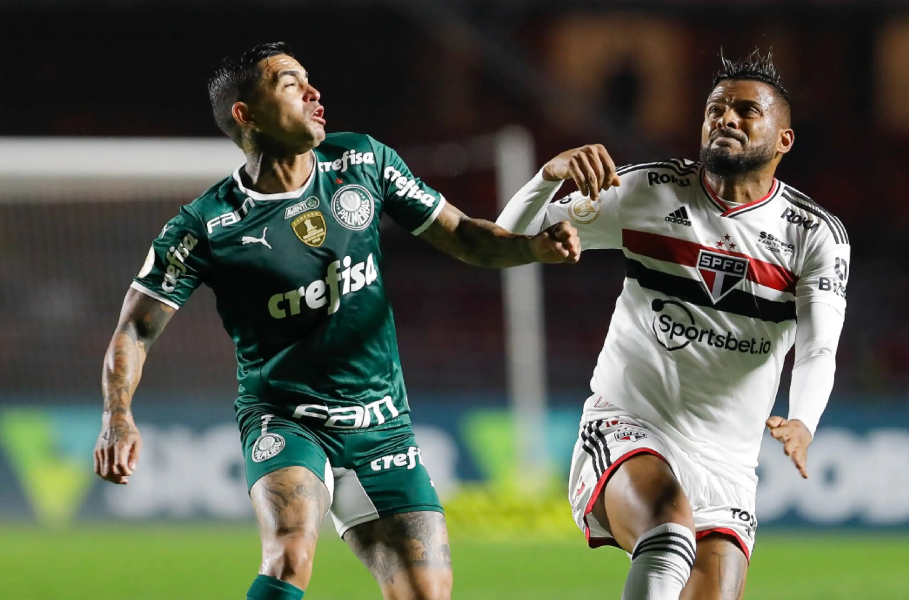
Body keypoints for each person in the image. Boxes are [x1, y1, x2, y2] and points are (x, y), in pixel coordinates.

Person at [92, 41, 580, 600]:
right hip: (286, 419)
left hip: (382, 424)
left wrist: (532, 248)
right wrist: (118, 415)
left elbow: (465, 234)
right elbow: (136, 326)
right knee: (289, 554)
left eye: (310, 80)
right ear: (244, 114)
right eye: (290, 84)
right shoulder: (207, 223)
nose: (314, 93)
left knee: (428, 593)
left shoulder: (363, 162)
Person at [497, 51, 849, 599]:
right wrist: (547, 178)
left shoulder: (814, 235)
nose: (726, 119)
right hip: (630, 425)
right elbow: (504, 243)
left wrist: (803, 420)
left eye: (746, 111)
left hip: (728, 466)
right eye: (716, 108)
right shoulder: (648, 191)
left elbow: (819, 348)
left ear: (784, 140)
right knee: (666, 537)